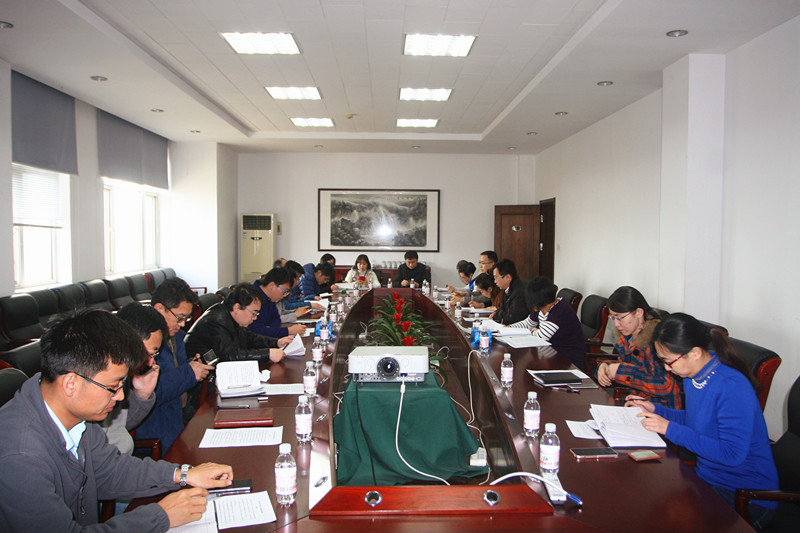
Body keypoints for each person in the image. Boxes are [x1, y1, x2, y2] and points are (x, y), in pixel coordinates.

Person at [0, 308, 233, 532]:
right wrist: (160, 516)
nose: (120, 396)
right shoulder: (20, 455)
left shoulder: (77, 417)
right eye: (113, 387)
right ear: (71, 383)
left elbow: (110, 470)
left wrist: (182, 474)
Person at [628, 313, 778, 529]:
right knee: (644, 503)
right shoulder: (694, 376)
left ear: (695, 353)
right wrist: (655, 409)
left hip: (745, 495)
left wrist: (669, 429)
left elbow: (732, 454)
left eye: (668, 362)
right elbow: (696, 420)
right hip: (708, 479)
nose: (667, 369)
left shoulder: (730, 386)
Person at [135, 278, 213, 454]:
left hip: (178, 418)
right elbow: (150, 392)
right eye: (180, 317)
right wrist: (189, 373)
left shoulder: (177, 336)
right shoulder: (143, 344)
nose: (183, 324)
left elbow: (176, 371)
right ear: (159, 309)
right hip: (156, 431)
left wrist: (193, 366)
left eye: (186, 318)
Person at [596, 286, 682, 409]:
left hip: (661, 409)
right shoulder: (628, 335)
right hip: (635, 403)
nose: (616, 324)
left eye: (620, 318)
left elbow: (665, 386)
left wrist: (620, 371)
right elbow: (625, 365)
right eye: (613, 318)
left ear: (639, 313)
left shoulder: (656, 340)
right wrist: (605, 367)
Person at [99, 302, 166, 455]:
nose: (151, 362)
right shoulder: (98, 378)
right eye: (148, 354)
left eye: (154, 355)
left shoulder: (124, 375)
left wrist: (142, 395)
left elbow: (119, 426)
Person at [185, 283, 290, 364]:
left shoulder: (231, 316)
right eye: (254, 313)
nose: (255, 318)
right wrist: (267, 354)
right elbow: (230, 356)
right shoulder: (216, 320)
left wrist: (276, 342)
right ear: (237, 308)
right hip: (202, 379)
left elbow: (249, 337)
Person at [506, 278, 586, 370]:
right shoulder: (542, 307)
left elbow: (541, 337)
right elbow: (528, 324)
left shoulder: (560, 310)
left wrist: (535, 332)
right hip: (550, 356)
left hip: (568, 362)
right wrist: (508, 328)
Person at [249, 267, 306, 337]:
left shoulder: (270, 298)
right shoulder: (251, 297)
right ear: (272, 286)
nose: (284, 295)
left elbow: (276, 321)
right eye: (285, 291)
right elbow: (255, 331)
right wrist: (288, 331)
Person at [490, 259, 529, 325]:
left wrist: (496, 316)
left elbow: (512, 317)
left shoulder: (519, 292)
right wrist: (495, 313)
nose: (495, 281)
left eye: (496, 277)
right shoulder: (508, 290)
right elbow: (503, 308)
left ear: (508, 277)